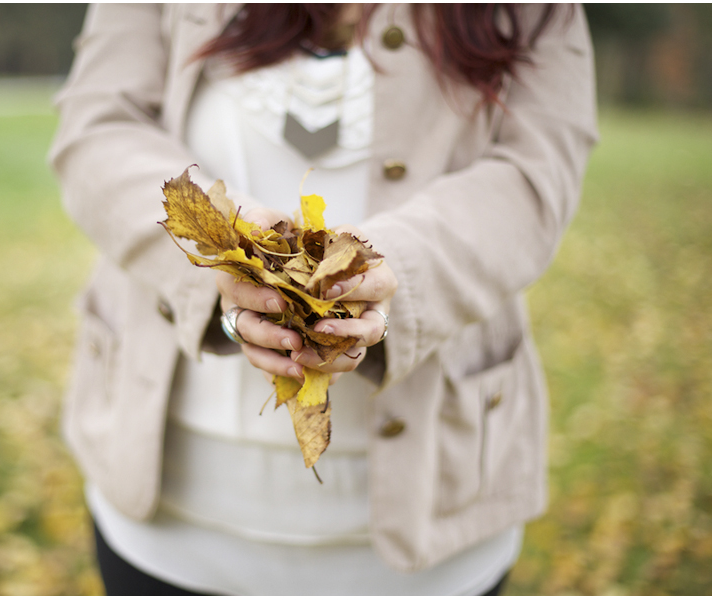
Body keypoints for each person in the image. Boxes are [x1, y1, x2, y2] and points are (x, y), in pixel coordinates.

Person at [49, 3, 597, 595]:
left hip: (435, 527)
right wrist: (222, 246)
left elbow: (536, 170)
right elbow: (98, 127)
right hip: (168, 527)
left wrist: (395, 272)